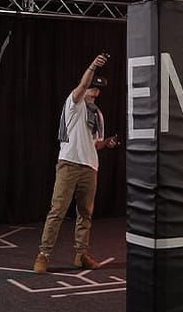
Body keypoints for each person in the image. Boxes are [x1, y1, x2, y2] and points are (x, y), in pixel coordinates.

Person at [33, 53, 119, 274]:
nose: (94, 90)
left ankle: (81, 255)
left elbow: (96, 143)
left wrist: (108, 143)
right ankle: (44, 254)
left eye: (97, 88)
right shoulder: (74, 103)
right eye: (91, 86)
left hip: (90, 167)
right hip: (69, 163)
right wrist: (92, 66)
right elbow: (81, 85)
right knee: (57, 210)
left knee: (85, 214)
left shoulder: (97, 115)